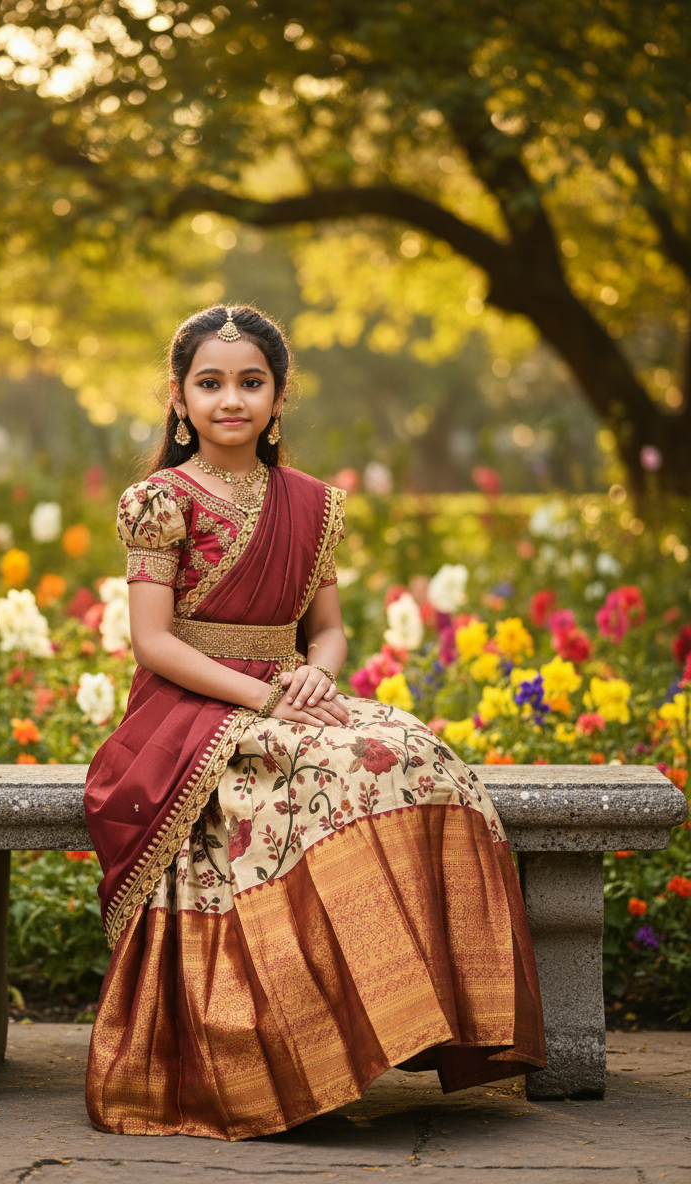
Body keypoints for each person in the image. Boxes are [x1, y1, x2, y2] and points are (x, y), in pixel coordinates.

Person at [84, 304, 545, 1141]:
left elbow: (327, 629)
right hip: (191, 705)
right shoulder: (160, 501)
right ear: (180, 400)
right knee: (328, 771)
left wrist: (314, 674)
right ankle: (288, 1041)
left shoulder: (311, 503)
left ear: (278, 396)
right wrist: (263, 699)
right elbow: (152, 643)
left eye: (250, 382)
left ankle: (412, 1009)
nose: (231, 399)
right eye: (210, 383)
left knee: (417, 756)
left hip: (292, 688)